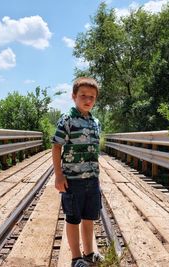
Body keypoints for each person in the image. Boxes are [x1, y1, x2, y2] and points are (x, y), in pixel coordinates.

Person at [52, 77, 104, 267]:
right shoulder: (67, 120)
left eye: (92, 97)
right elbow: (57, 147)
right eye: (83, 95)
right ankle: (76, 258)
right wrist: (58, 175)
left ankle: (89, 253)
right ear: (74, 96)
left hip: (92, 178)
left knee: (89, 217)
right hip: (73, 180)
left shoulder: (95, 122)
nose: (87, 100)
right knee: (73, 218)